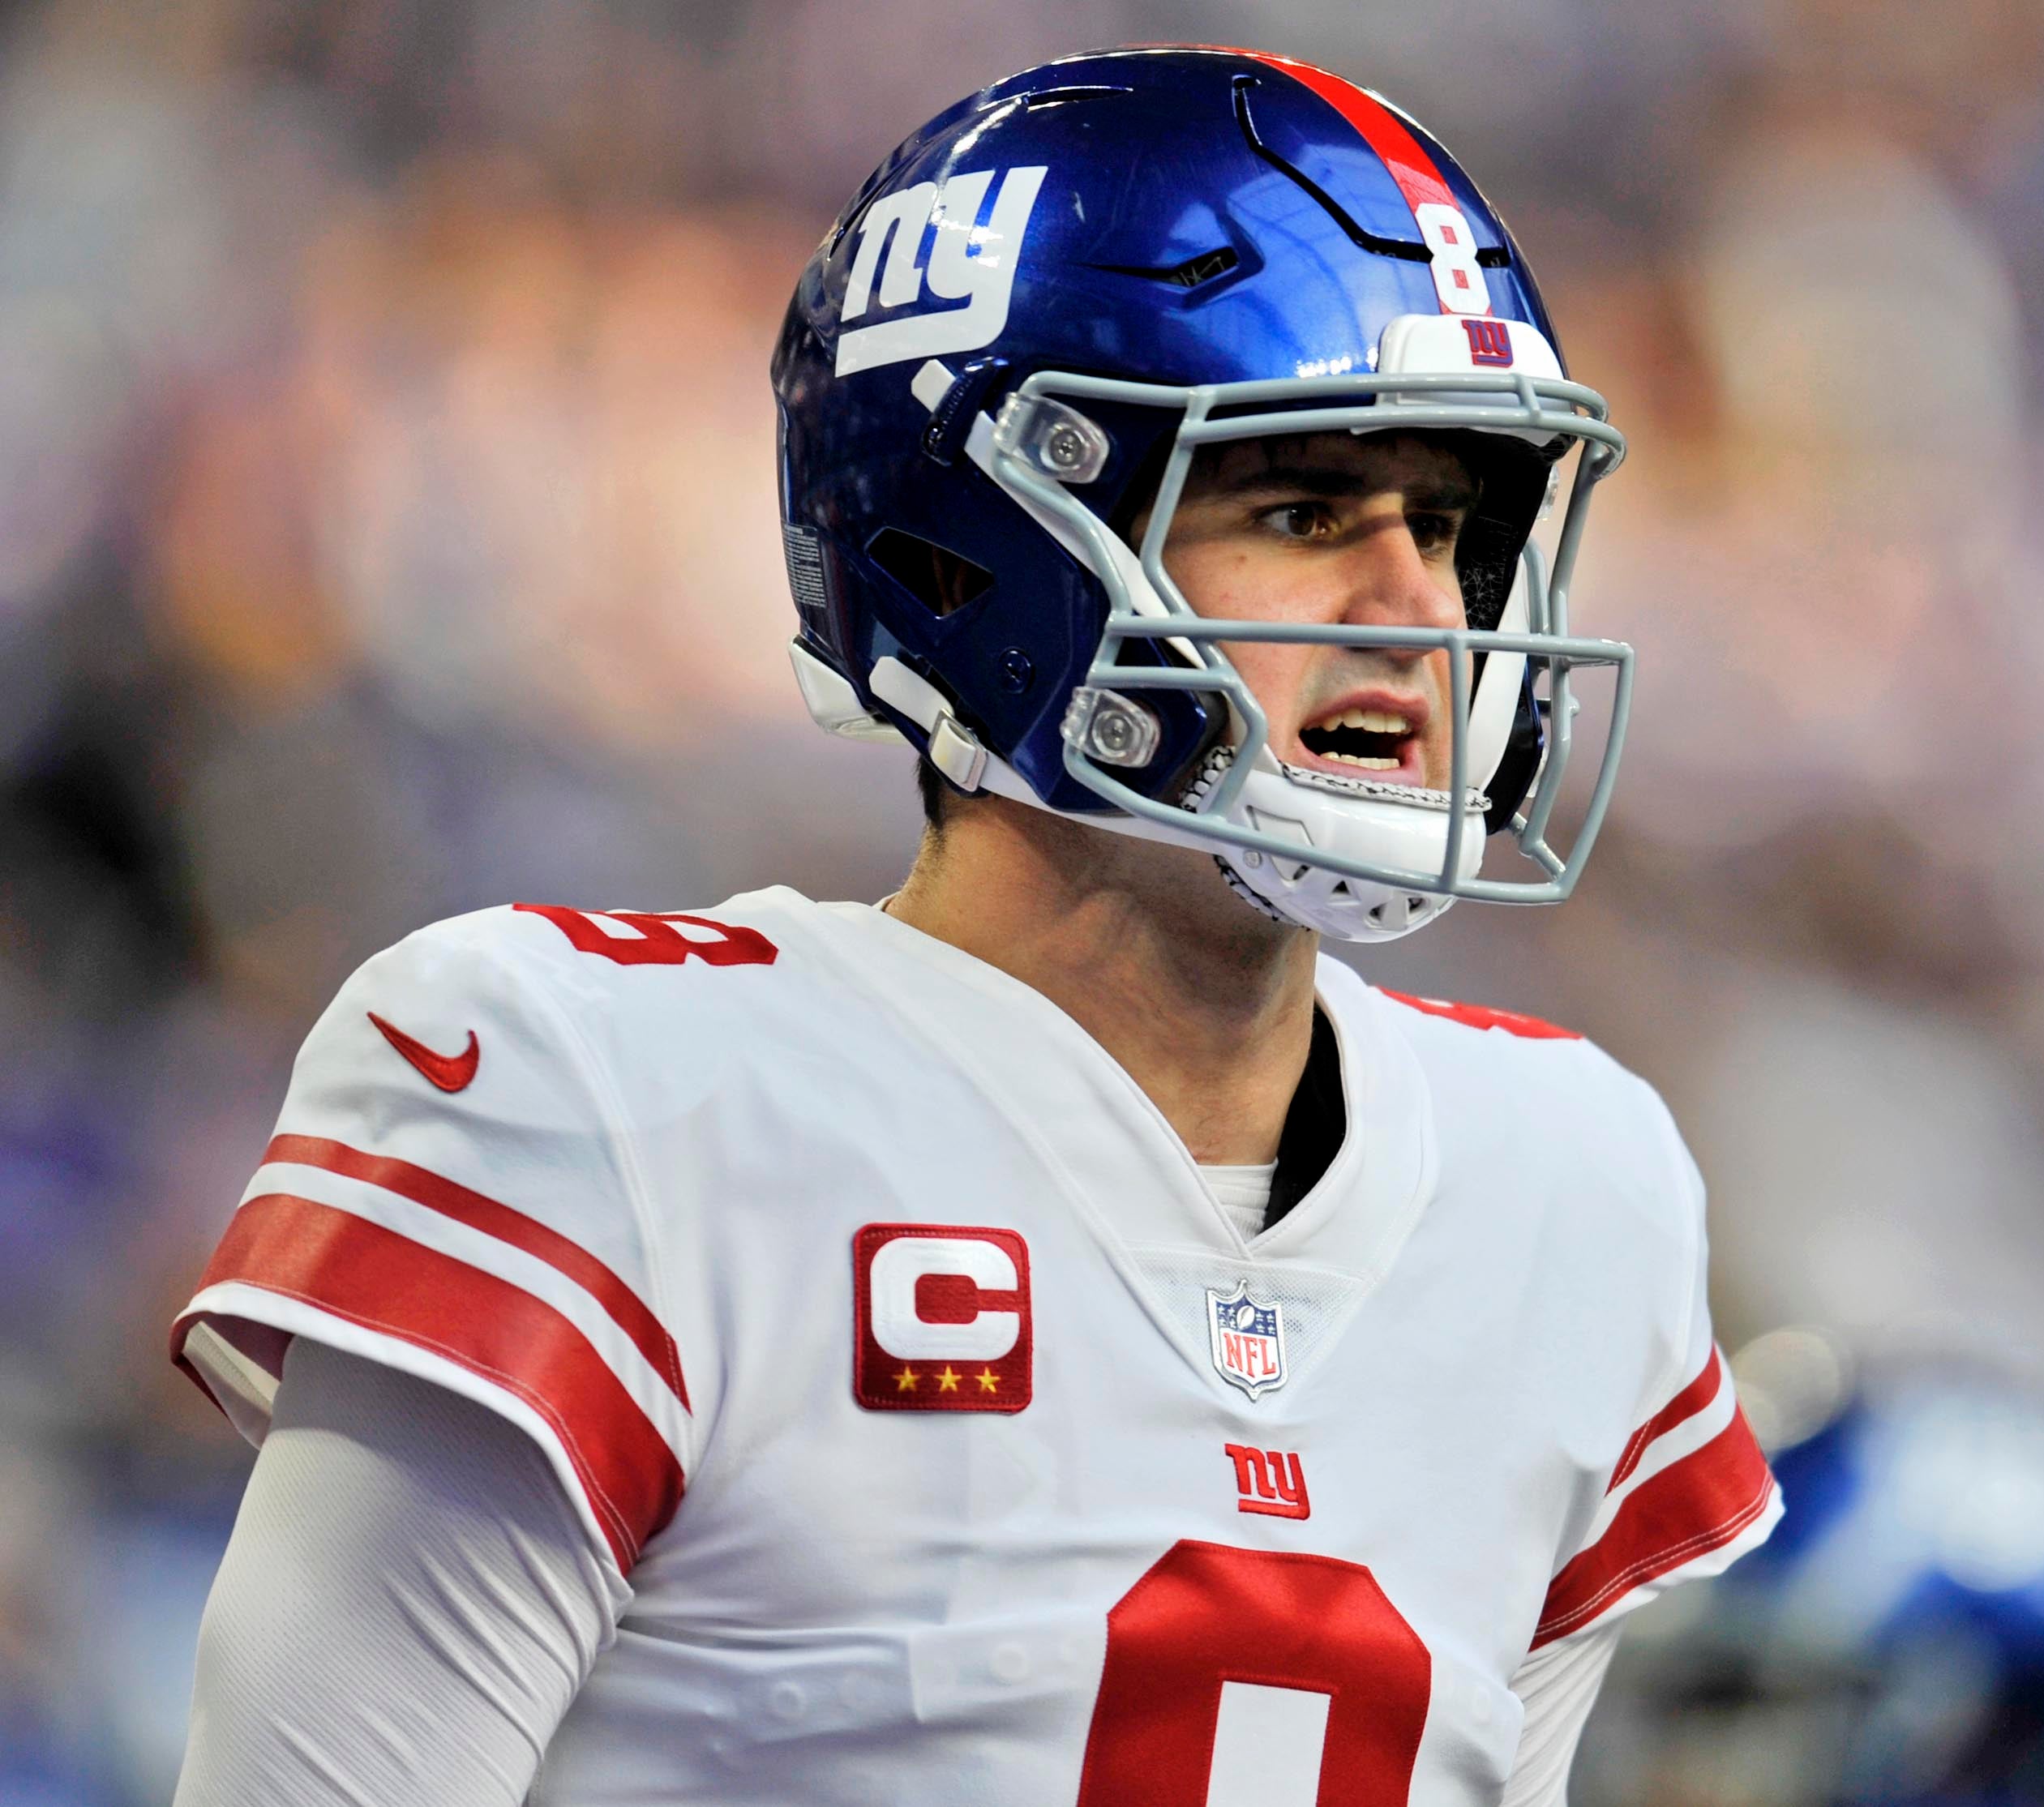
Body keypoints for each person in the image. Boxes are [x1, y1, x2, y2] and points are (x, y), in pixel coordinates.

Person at [167, 46, 1779, 1806]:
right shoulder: (608, 1096)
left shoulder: (1570, 1185)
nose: (1417, 614)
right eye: (1301, 507)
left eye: (1452, 526)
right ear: (986, 551)